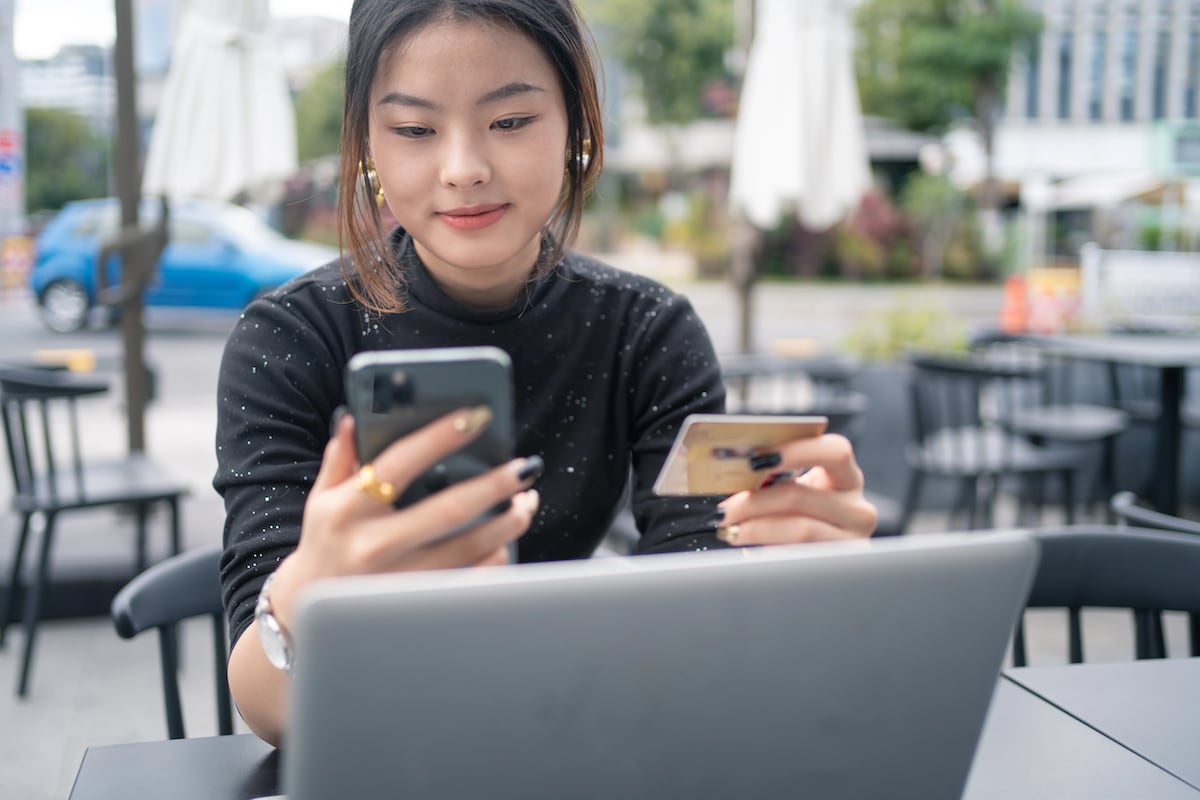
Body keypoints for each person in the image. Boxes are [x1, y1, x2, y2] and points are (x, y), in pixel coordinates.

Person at [215, 0, 878, 747]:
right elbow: (263, 707)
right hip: (377, 746)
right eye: (413, 130)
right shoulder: (291, 336)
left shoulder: (648, 332)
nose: (463, 168)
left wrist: (796, 579)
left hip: (586, 739)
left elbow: (701, 591)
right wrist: (304, 596)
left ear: (577, 127)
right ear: (366, 142)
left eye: (510, 122)